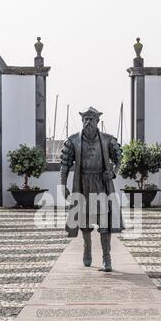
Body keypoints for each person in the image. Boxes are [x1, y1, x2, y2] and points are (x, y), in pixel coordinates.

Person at [60, 107, 123, 272]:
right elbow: (65, 165)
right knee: (84, 221)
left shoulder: (108, 140)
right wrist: (62, 185)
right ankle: (87, 249)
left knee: (104, 222)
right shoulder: (73, 141)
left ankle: (106, 259)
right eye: (86, 119)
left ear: (97, 122)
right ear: (82, 121)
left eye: (92, 119)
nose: (88, 122)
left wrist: (113, 173)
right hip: (82, 184)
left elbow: (119, 159)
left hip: (101, 184)